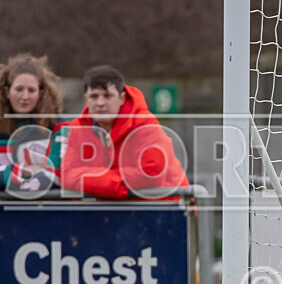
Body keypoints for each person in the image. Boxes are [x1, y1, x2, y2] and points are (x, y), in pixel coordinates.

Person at [60, 65, 188, 199]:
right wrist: (119, 185)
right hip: (119, 207)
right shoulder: (78, 129)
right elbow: (68, 175)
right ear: (86, 100)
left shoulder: (143, 123)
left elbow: (151, 175)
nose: (100, 102)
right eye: (94, 96)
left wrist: (98, 181)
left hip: (168, 206)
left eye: (107, 96)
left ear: (122, 98)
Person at [0, 54, 66, 191]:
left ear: (41, 94)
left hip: (47, 209)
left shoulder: (58, 126)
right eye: (19, 89)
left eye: (31, 90)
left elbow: (64, 176)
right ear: (7, 92)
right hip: (2, 210)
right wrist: (21, 171)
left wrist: (12, 180)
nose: (25, 96)